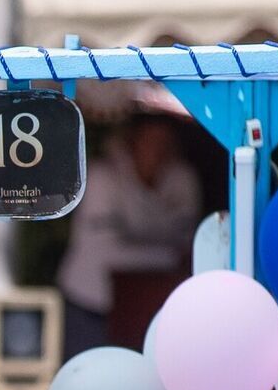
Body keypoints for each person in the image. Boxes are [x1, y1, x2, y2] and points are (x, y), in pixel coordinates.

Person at [53, 103, 204, 355]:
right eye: (149, 140)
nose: (157, 150)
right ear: (132, 140)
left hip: (149, 308)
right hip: (90, 302)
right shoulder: (103, 176)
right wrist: (168, 256)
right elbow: (107, 252)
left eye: (164, 142)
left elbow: (191, 241)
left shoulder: (183, 178)